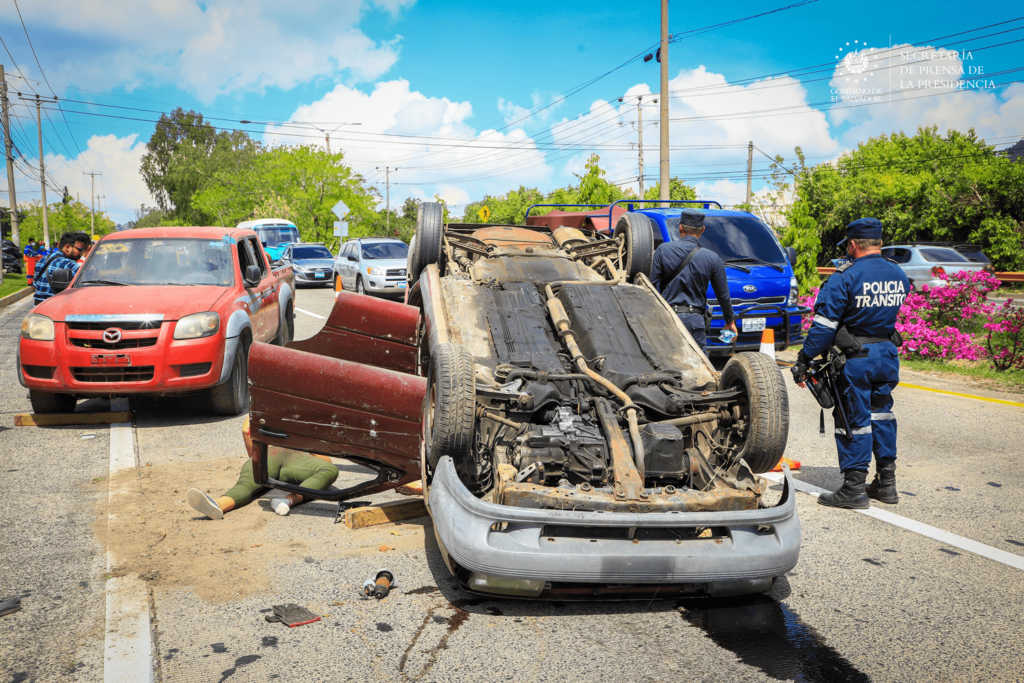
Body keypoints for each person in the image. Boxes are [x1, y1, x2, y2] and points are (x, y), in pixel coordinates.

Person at [792, 218, 909, 509]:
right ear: (879, 243)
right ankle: (886, 484)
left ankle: (854, 489)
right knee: (882, 414)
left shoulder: (845, 276)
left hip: (856, 359)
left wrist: (805, 357)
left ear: (853, 244)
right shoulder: (897, 272)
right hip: (887, 354)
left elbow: (824, 327)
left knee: (853, 420)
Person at [186, 417, 339, 519]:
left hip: (272, 453)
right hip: (291, 456)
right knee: (329, 471)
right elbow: (327, 462)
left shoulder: (270, 407)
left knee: (245, 484)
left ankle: (218, 504)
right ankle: (287, 501)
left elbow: (246, 430)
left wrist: (255, 458)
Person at [650, 209, 738, 355]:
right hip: (695, 323)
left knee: (667, 361)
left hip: (668, 318)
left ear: (680, 228)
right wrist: (730, 321)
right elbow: (723, 295)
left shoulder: (662, 250)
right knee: (700, 364)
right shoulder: (712, 258)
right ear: (702, 230)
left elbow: (650, 287)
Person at [33, 232, 88, 305]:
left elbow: (35, 285)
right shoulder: (69, 264)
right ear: (67, 247)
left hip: (37, 307)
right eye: (80, 249)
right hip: (55, 308)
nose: (81, 253)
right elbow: (87, 283)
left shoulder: (41, 260)